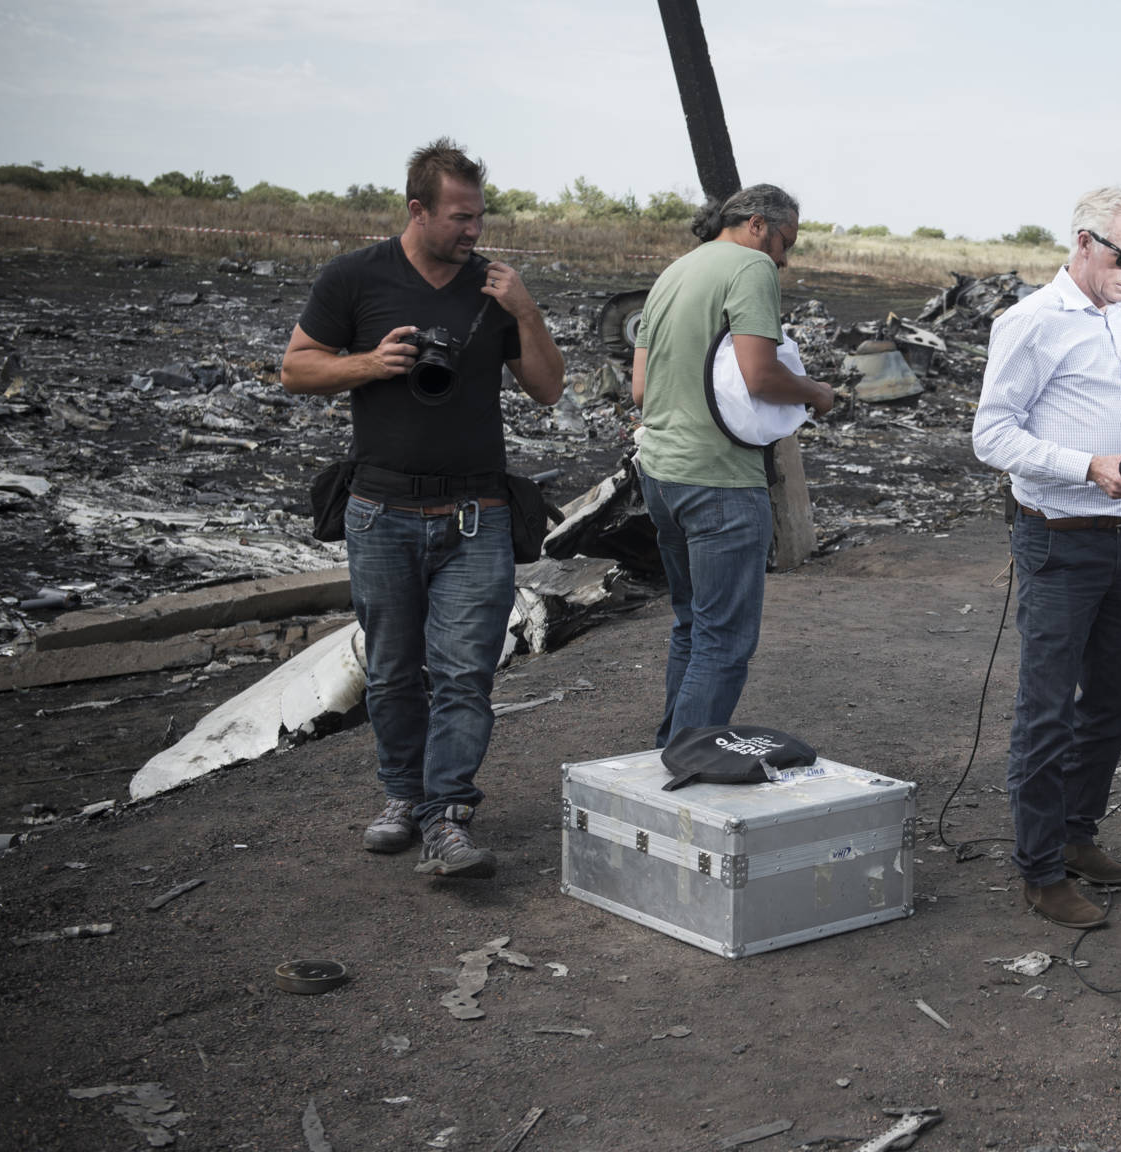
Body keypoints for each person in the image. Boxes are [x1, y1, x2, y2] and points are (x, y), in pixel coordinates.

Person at [280, 138, 564, 879]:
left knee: (466, 671)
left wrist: (526, 311)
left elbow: (549, 389)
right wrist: (370, 364)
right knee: (394, 670)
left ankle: (447, 818)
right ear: (417, 209)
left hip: (477, 513)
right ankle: (402, 798)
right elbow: (295, 367)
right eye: (459, 218)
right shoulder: (355, 276)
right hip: (381, 513)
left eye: (479, 216)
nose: (474, 232)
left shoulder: (494, 288)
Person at [972, 186, 1121, 929]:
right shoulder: (1030, 323)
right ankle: (1039, 871)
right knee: (1044, 712)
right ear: (1081, 243)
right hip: (1058, 540)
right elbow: (992, 437)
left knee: (1115, 697)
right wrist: (1085, 467)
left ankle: (1077, 836)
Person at [629, 185, 835, 747]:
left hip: (661, 474)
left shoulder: (675, 272)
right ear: (757, 225)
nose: (784, 259)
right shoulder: (750, 268)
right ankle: (688, 759)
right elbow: (760, 375)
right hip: (719, 479)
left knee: (692, 624)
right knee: (725, 638)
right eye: (785, 242)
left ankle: (669, 750)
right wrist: (815, 392)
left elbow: (641, 390)